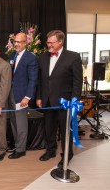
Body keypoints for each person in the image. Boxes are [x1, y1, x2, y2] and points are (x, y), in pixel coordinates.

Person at [36, 30, 83, 168]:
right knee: (48, 129)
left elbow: (77, 81)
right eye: (47, 42)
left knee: (65, 130)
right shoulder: (43, 57)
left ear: (60, 41)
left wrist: (74, 101)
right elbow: (41, 80)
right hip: (47, 101)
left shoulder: (73, 57)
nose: (48, 44)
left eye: (51, 42)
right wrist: (39, 96)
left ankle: (67, 155)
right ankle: (50, 151)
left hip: (65, 103)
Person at [7, 33, 39, 159]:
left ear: (26, 43)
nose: (16, 44)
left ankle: (21, 149)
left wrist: (27, 97)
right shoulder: (12, 55)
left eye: (19, 42)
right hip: (10, 94)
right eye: (15, 41)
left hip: (21, 96)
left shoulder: (31, 58)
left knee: (21, 123)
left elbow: (33, 80)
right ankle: (17, 145)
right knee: (14, 122)